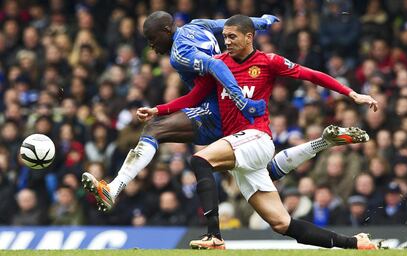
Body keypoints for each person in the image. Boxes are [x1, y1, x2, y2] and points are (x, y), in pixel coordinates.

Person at [137, 15, 378, 250]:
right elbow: (194, 97)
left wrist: (352, 94)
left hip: (257, 137)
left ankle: (214, 236)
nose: (227, 41)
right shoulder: (219, 64)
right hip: (237, 146)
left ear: (249, 37)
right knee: (282, 223)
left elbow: (311, 75)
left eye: (232, 37)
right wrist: (158, 110)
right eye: (225, 37)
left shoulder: (268, 61)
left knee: (200, 160)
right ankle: (356, 243)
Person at [81, 11, 279, 211]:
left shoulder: (179, 53)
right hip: (219, 107)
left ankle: (114, 189)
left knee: (154, 130)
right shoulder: (197, 25)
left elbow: (215, 64)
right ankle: (113, 189)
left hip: (217, 113)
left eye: (152, 38)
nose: (151, 45)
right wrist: (263, 22)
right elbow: (229, 24)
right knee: (278, 218)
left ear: (166, 31)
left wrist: (240, 99)